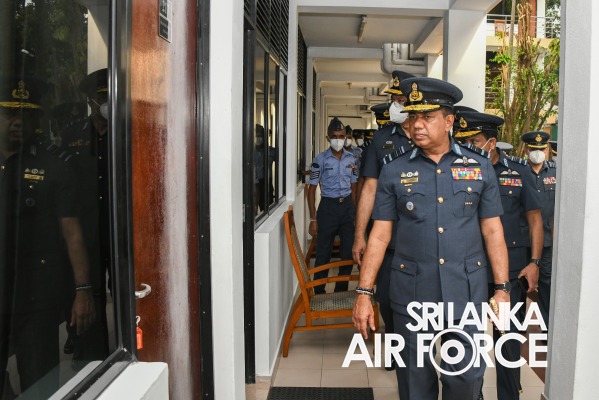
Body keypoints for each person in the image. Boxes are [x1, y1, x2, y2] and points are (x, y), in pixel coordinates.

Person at [353, 77, 510, 400]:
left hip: (465, 290)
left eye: (427, 117)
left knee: (467, 379)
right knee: (415, 383)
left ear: (449, 121)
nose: (417, 124)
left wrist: (502, 289)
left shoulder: (479, 167)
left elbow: (493, 230)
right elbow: (380, 236)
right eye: (413, 117)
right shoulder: (394, 170)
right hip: (411, 291)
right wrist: (364, 292)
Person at [0, 75, 95, 397]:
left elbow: (72, 233)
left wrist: (82, 290)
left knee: (39, 383)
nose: (17, 122)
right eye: (10, 113)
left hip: (36, 298)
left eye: (26, 115)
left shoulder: (54, 167)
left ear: (37, 120)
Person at [455, 111, 543, 400]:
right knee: (468, 339)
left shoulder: (519, 172)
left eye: (474, 141)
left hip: (512, 270)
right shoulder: (459, 171)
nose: (468, 147)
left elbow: (535, 221)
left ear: (491, 143)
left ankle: (509, 395)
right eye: (464, 141)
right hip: (470, 267)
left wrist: (534, 263)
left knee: (508, 339)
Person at [352, 72, 414, 368]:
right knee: (387, 300)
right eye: (394, 99)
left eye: (401, 100)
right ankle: (395, 346)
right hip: (388, 239)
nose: (396, 105)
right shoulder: (382, 139)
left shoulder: (430, 137)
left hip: (421, 237)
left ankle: (413, 355)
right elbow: (369, 188)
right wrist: (359, 235)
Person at [307, 117, 357, 294]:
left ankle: (341, 291)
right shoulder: (320, 159)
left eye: (341, 136)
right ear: (328, 138)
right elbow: (311, 190)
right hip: (327, 208)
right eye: (334, 136)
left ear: (345, 137)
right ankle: (319, 291)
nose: (338, 139)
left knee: (348, 253)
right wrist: (313, 219)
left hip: (347, 208)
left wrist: (356, 213)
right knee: (323, 252)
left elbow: (354, 186)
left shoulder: (352, 159)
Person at [521, 131, 557, 332]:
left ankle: (546, 328)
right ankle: (517, 328)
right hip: (523, 240)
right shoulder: (518, 171)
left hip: (547, 241)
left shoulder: (556, 172)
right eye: (533, 149)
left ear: (547, 150)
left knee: (547, 285)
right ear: (526, 150)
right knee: (520, 284)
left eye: (542, 149)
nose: (538, 153)